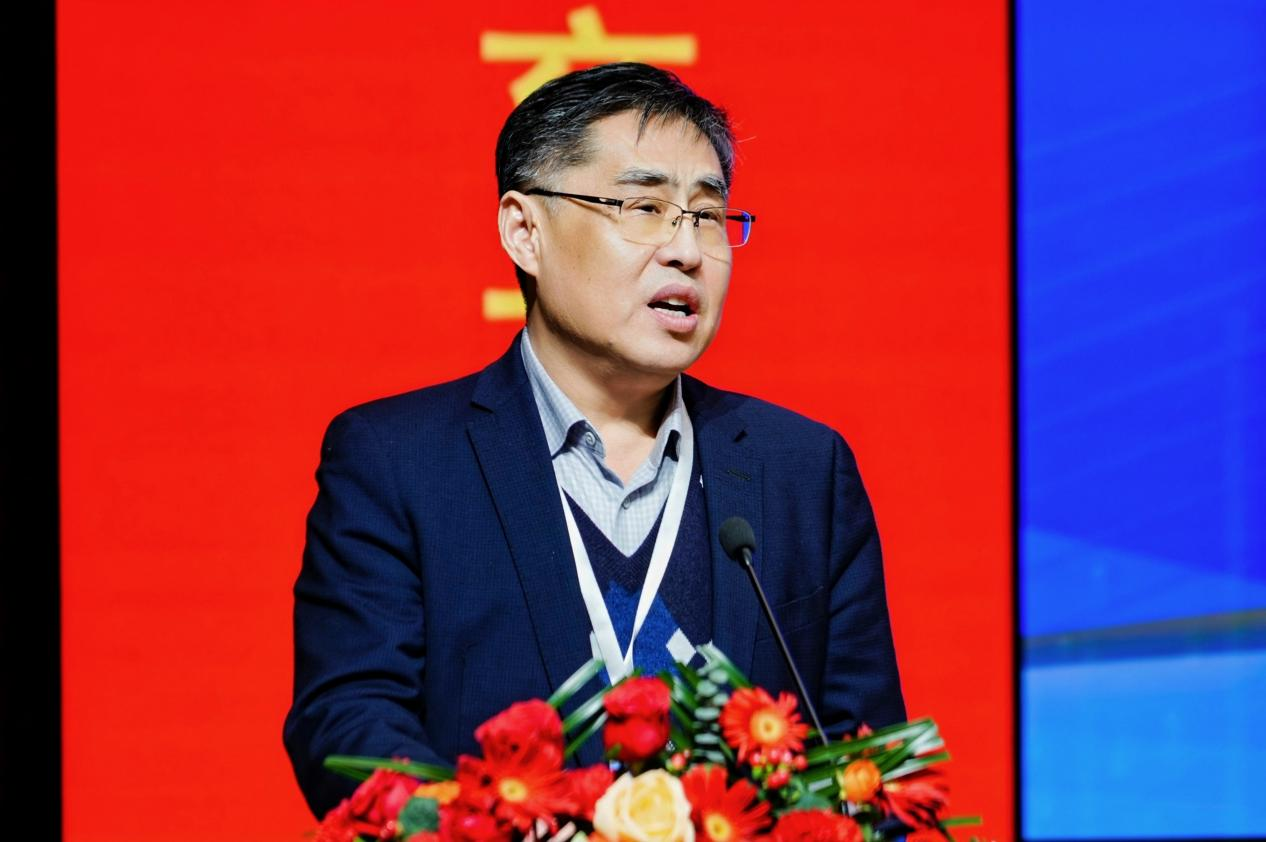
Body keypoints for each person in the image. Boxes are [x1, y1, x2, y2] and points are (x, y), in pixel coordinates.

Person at [283, 62, 904, 818]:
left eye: (708, 215)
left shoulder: (802, 470)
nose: (686, 251)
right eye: (645, 207)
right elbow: (348, 726)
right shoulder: (398, 463)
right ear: (525, 232)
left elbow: (871, 763)